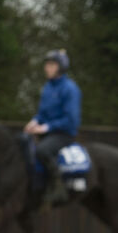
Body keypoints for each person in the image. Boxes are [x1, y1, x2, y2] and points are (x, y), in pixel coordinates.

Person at [23, 49, 82, 206]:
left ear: (60, 67)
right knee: (22, 142)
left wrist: (46, 128)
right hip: (47, 133)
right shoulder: (47, 88)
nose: (47, 68)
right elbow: (42, 113)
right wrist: (34, 121)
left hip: (63, 134)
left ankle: (58, 187)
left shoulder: (70, 89)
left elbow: (71, 120)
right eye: (46, 65)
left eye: (51, 65)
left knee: (42, 150)